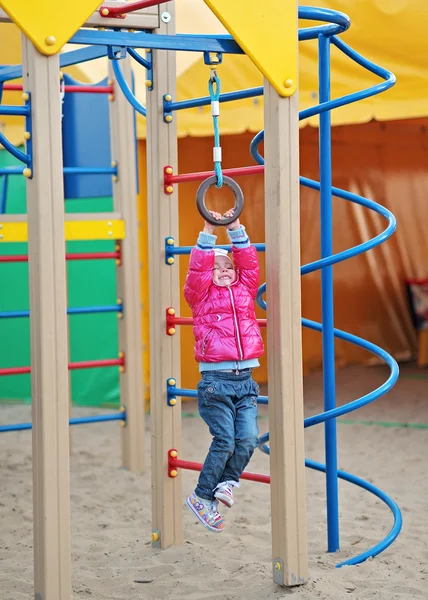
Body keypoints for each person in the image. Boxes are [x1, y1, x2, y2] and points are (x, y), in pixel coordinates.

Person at [183, 208, 264, 533]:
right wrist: (209, 229)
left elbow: (249, 263)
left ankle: (226, 483)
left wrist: (235, 227)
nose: (224, 271)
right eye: (217, 268)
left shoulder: (245, 291)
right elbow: (197, 269)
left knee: (247, 440)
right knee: (225, 441)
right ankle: (202, 496)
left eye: (228, 266)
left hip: (246, 381)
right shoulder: (200, 296)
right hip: (215, 382)